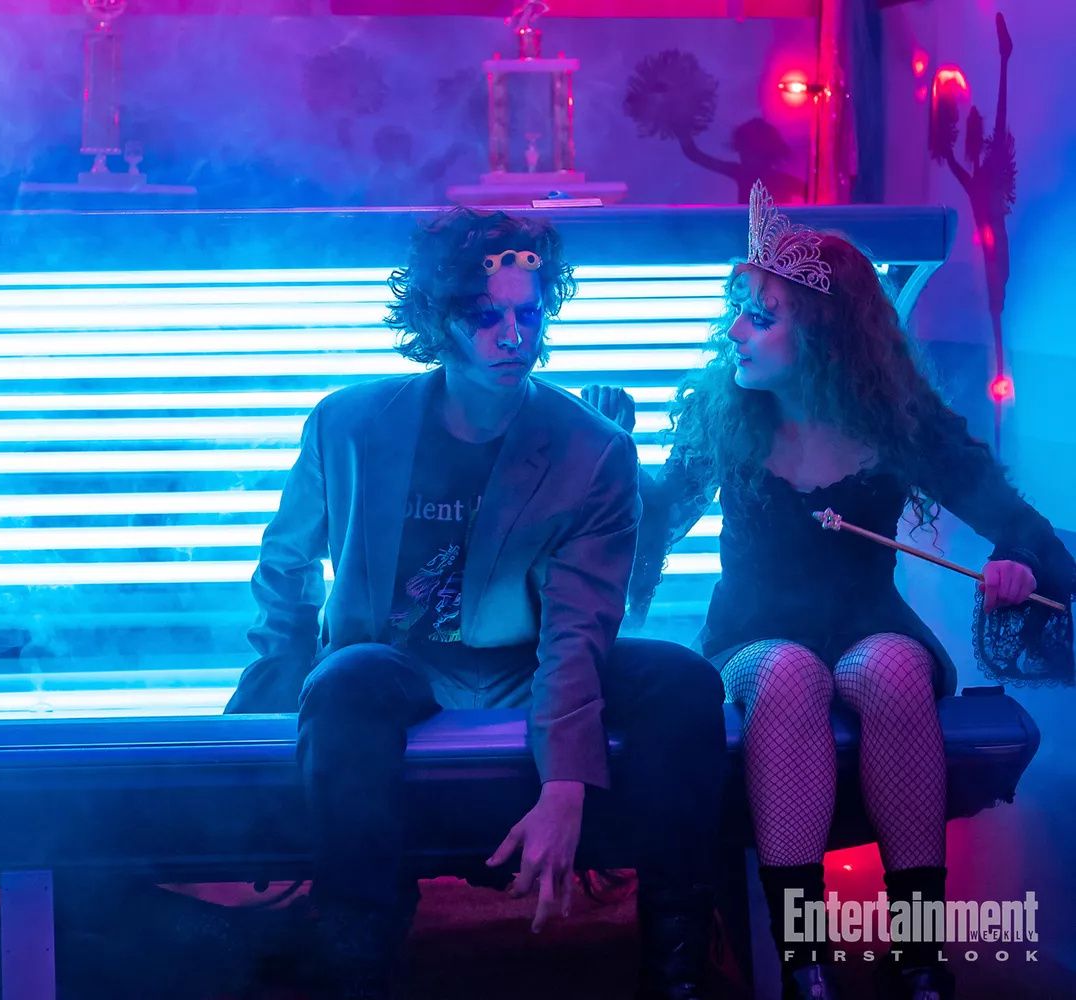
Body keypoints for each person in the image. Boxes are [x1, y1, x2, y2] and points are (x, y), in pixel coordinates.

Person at [584, 183, 1074, 1000]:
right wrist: (610, 457)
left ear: (823, 333)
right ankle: (804, 959)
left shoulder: (898, 421)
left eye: (760, 316)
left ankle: (920, 956)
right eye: (739, 311)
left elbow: (1012, 520)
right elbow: (660, 514)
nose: (735, 332)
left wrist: (1016, 564)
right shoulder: (723, 412)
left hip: (868, 622)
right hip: (751, 632)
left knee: (894, 670)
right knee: (786, 674)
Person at [226, 208, 727, 1000]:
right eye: (487, 316)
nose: (513, 336)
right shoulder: (349, 424)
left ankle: (681, 967)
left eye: (529, 314)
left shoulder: (592, 448)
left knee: (684, 680)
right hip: (393, 665)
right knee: (345, 678)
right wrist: (282, 672)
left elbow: (578, 630)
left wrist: (565, 787)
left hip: (529, 665)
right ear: (439, 320)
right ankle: (357, 966)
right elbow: (284, 564)